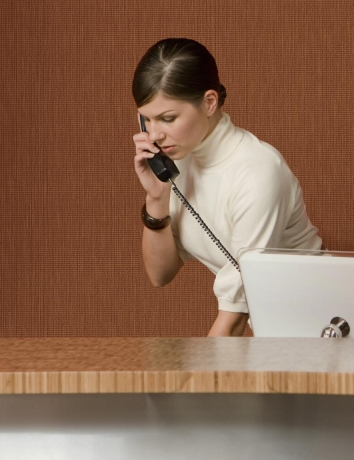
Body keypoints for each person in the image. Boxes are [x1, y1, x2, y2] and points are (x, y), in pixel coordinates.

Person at [131, 38, 324, 336]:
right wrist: (156, 198)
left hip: (321, 326)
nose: (154, 134)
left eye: (167, 119)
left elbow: (235, 315)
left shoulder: (257, 172)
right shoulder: (181, 160)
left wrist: (201, 370)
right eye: (146, 119)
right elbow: (160, 274)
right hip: (274, 332)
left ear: (209, 102)